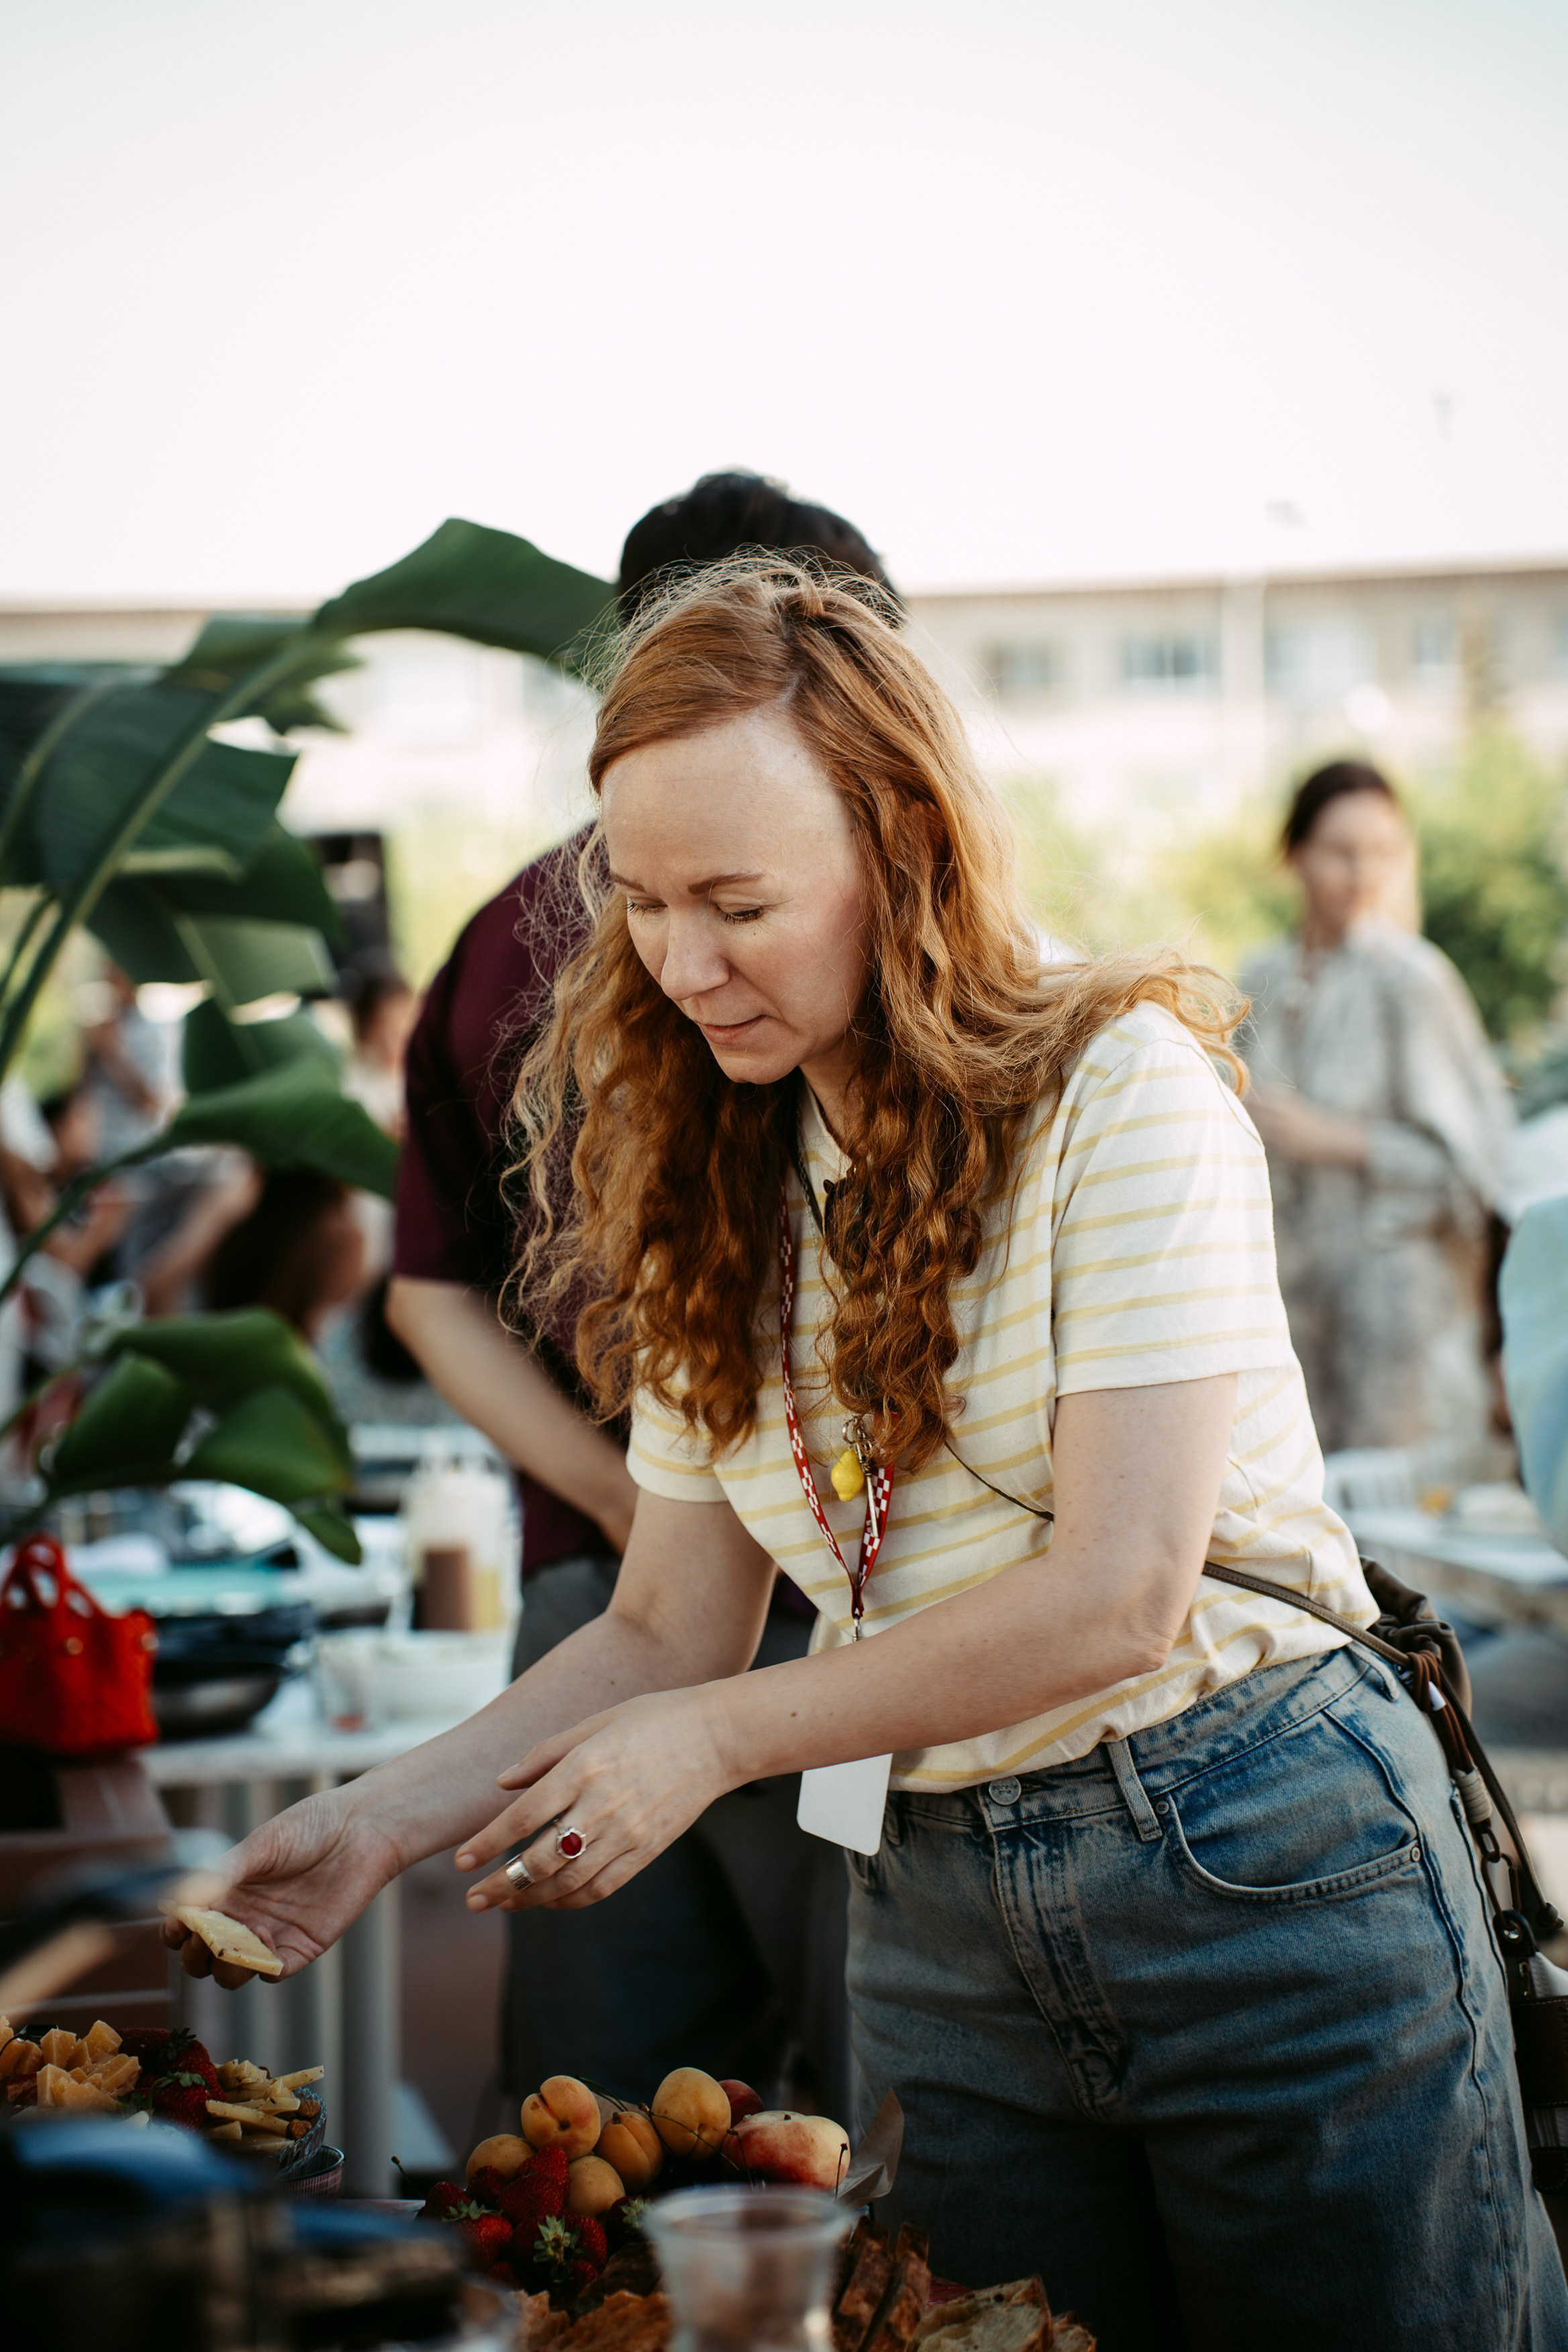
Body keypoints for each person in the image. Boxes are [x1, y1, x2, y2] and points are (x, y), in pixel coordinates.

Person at [167, 565, 1564, 2349]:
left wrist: (714, 1740)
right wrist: (376, 1823)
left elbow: (1119, 1595)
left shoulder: (1121, 1084)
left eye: (738, 902)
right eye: (647, 902)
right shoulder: (715, 1155)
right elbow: (671, 1624)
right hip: (930, 1904)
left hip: (1254, 1861)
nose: (679, 966)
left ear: (903, 844)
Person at [385, 475, 895, 2116]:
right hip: (648, 1605)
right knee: (649, 2127)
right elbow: (432, 1289)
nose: (691, 965)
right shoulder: (532, 948)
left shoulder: (975, 997)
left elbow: (429, 1294)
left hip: (862, 1628)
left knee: (680, 2113)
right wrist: (638, 1493)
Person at [1241, 759, 1510, 1455]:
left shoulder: (1412, 982)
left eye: (1382, 851)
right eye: (1340, 850)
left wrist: (1334, 1139)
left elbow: (1478, 1166)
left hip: (1397, 1324)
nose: (1362, 871)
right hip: (1283, 1317)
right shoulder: (1256, 977)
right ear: (1294, 852)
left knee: (1395, 1538)